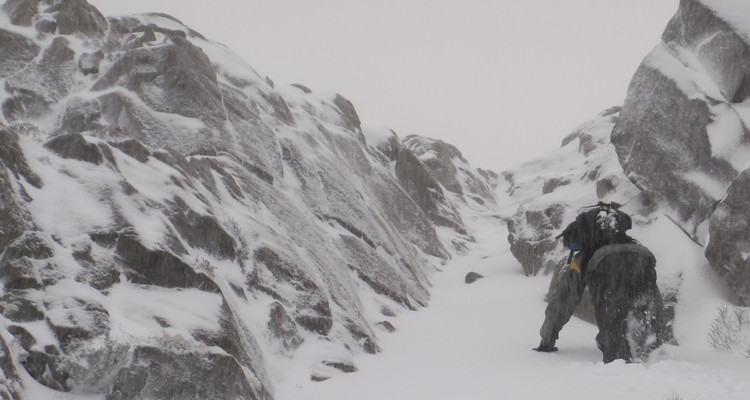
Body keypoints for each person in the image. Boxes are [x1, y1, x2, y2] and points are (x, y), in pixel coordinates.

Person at [533, 202, 667, 363]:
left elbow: (563, 299)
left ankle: (620, 360)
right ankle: (653, 353)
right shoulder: (634, 247)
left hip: (606, 266)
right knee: (646, 310)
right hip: (642, 258)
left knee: (614, 325)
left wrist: (547, 340)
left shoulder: (583, 258)